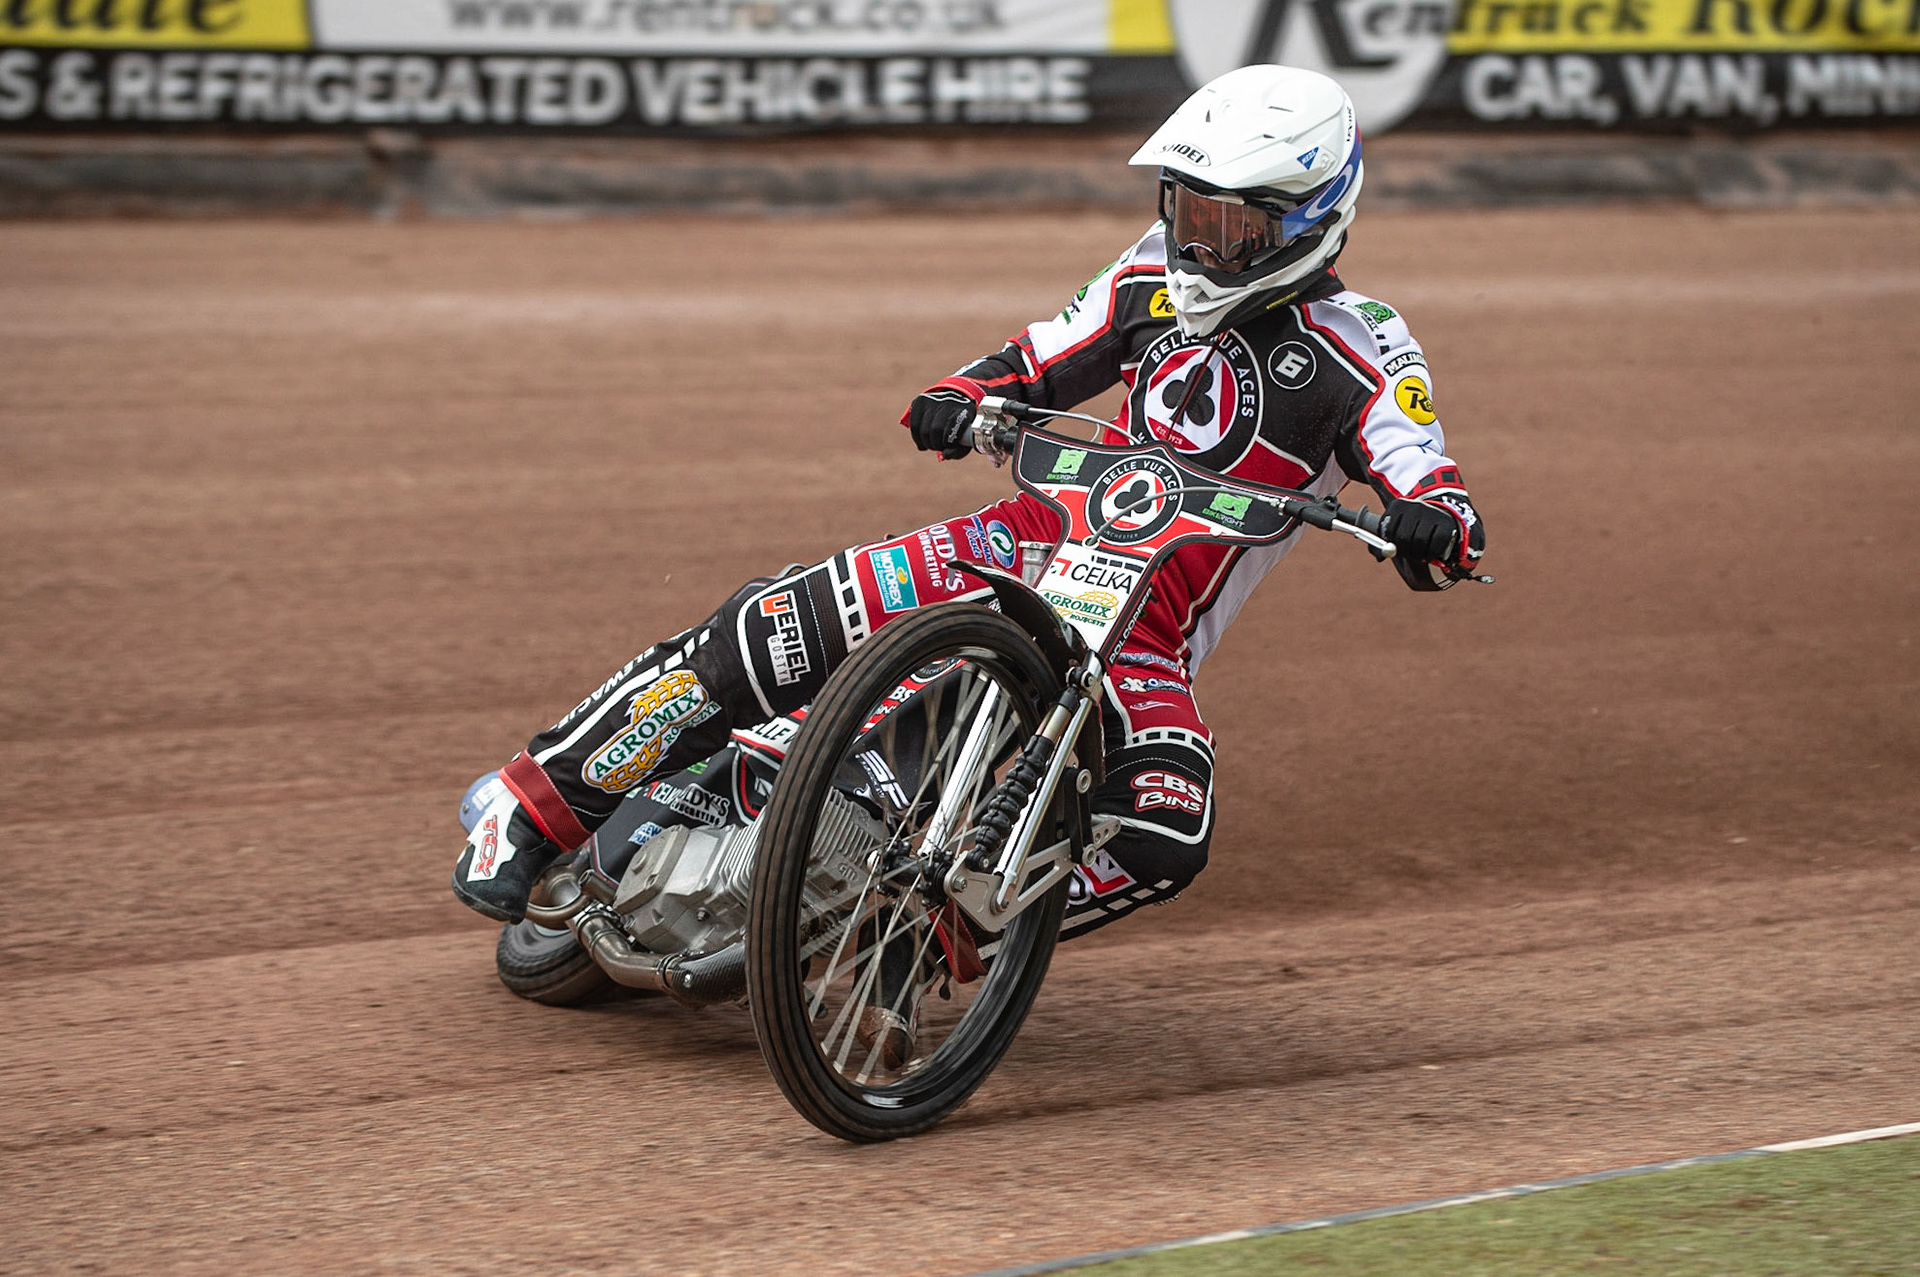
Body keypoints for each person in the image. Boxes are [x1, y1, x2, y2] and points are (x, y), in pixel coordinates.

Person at [452, 63, 1486, 950]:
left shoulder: (1367, 346)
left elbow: (1424, 472)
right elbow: (1040, 355)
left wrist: (1434, 526)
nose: (1196, 244)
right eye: (1185, 209)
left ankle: (932, 937)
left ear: (1308, 219)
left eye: (1228, 225)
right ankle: (529, 803)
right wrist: (964, 393)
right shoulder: (1146, 276)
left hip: (1140, 642)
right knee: (773, 625)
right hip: (1016, 541)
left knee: (1167, 825)